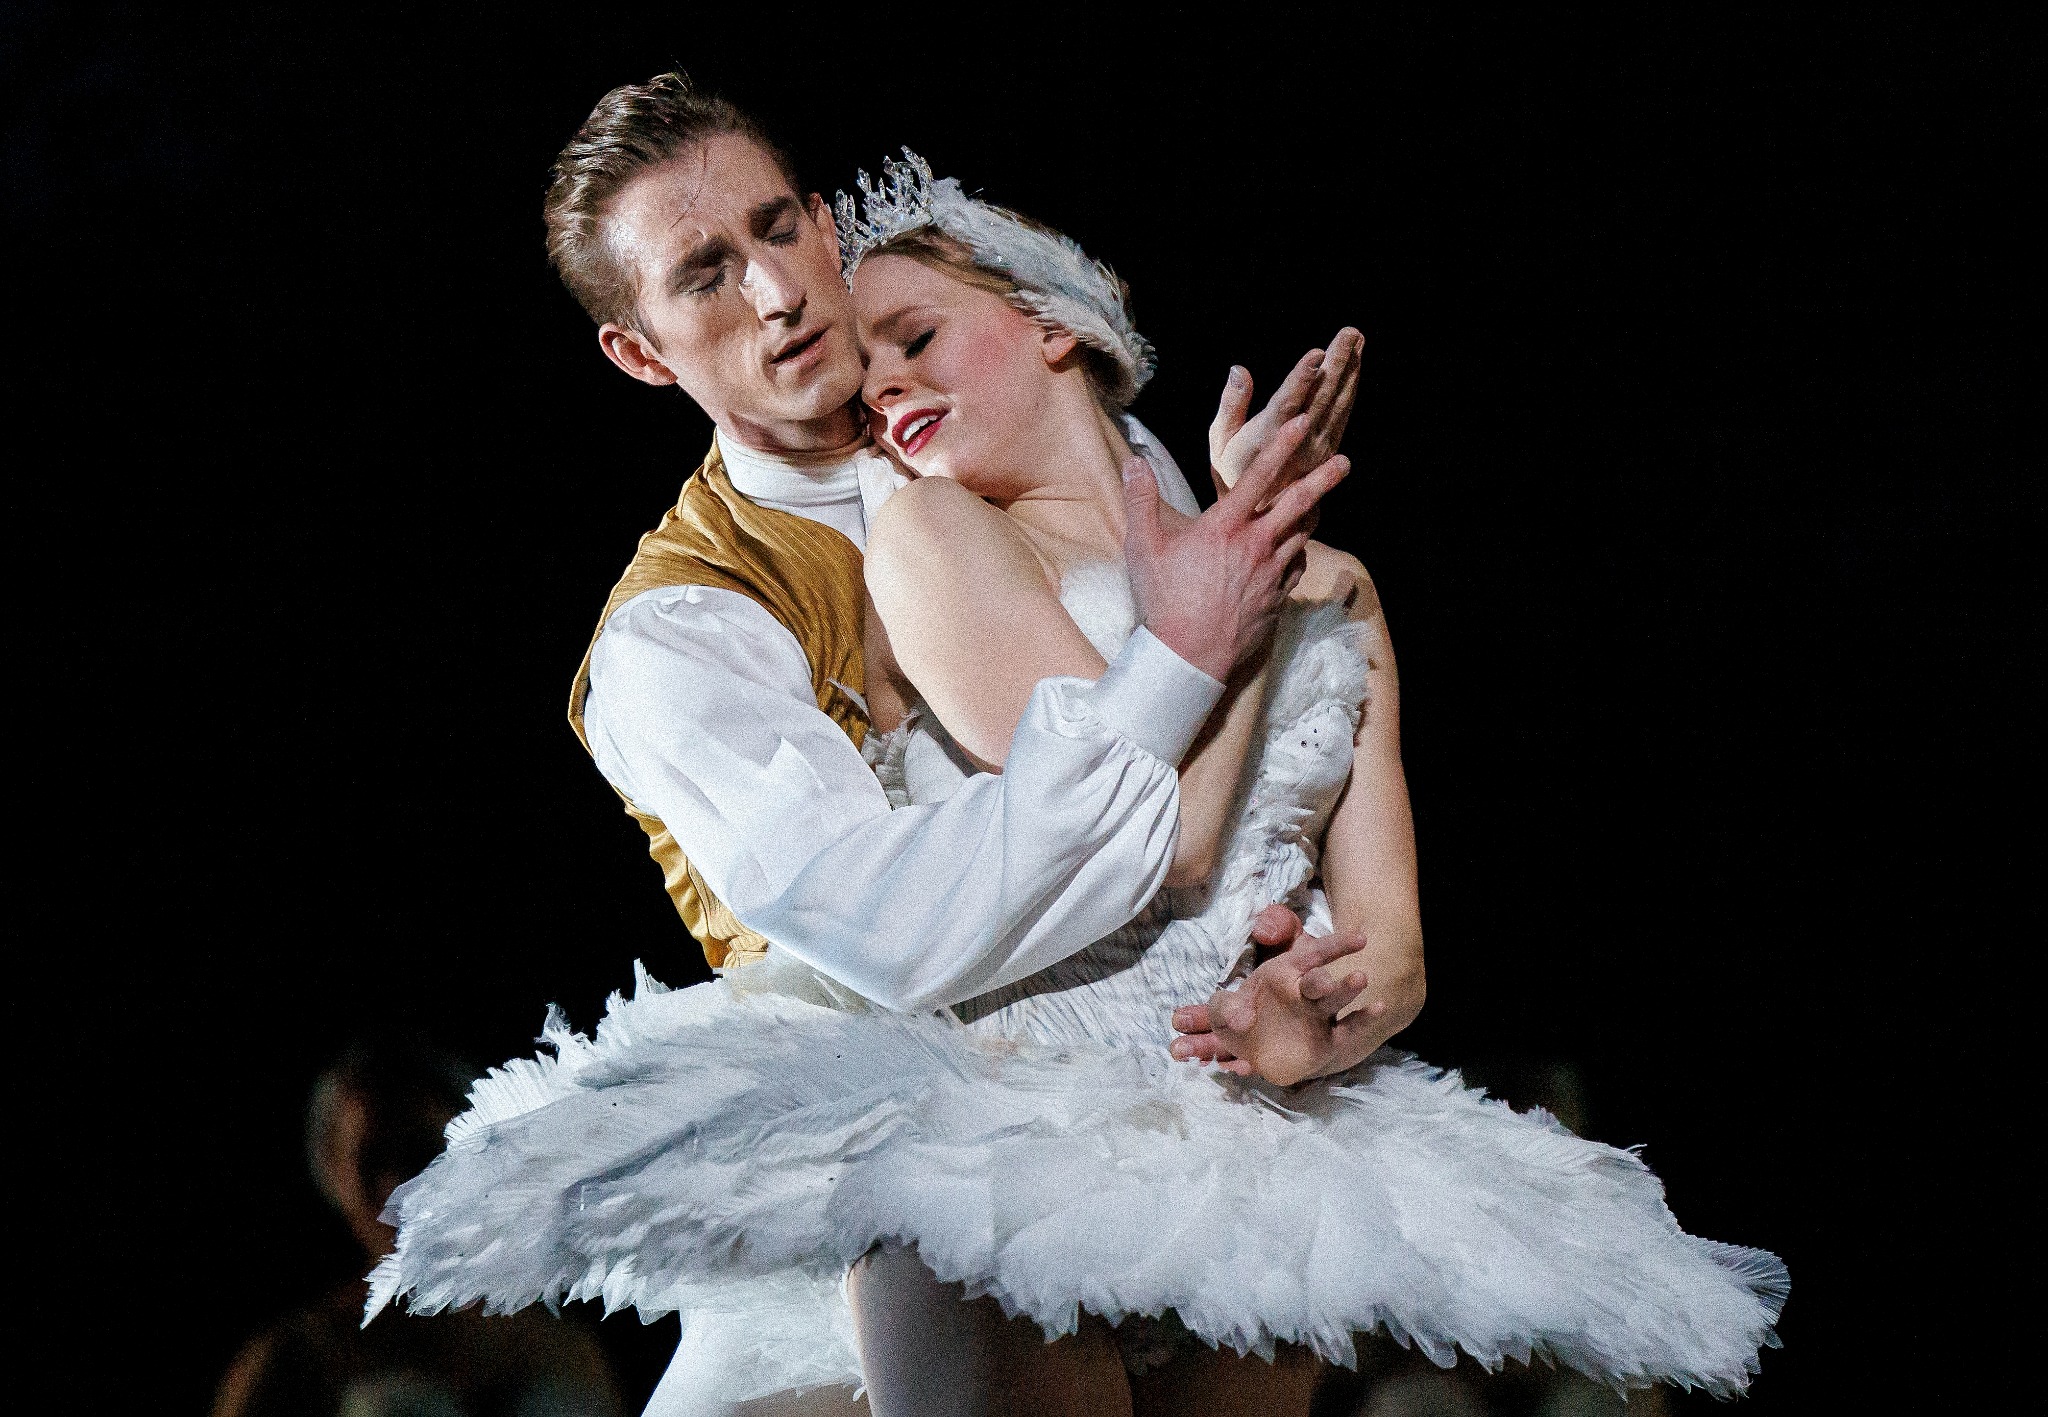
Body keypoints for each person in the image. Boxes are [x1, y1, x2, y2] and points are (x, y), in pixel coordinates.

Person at [369, 152, 1787, 1414]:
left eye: (780, 227)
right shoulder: (711, 616)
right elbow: (1030, 881)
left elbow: (1369, 927)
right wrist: (1231, 611)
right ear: (640, 350)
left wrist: (1309, 1020)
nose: (787, 298)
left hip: (1237, 1156)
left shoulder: (1105, 478)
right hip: (946, 1141)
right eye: (705, 274)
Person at [213, 1040, 621, 1417]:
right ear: (334, 1181)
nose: (400, 1187)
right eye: (372, 1162)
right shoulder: (296, 1363)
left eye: (420, 1150)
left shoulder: (563, 1350)